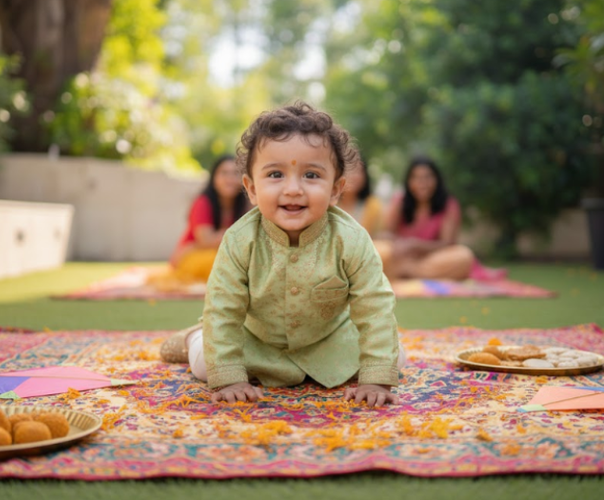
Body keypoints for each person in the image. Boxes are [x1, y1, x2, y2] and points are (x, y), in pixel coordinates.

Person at [160, 101, 404, 407]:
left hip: (328, 340)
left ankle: (366, 364)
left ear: (335, 190)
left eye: (311, 175)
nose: (292, 189)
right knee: (207, 365)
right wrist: (230, 377)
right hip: (258, 342)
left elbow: (374, 306)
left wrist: (376, 378)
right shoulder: (239, 241)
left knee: (395, 357)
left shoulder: (351, 240)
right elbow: (223, 308)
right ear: (250, 188)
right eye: (275, 174)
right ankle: (193, 337)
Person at [374, 156, 506, 281]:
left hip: (433, 258)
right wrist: (403, 244)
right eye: (416, 178)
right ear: (409, 182)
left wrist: (416, 246)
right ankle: (409, 271)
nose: (422, 183)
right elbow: (386, 234)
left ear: (437, 180)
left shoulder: (448, 204)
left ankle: (407, 272)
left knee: (463, 256)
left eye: (427, 177)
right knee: (379, 250)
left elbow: (448, 243)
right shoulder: (400, 202)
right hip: (403, 257)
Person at [167, 155, 247, 283]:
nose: (230, 179)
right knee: (218, 263)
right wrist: (238, 234)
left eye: (235, 173)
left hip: (222, 255)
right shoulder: (202, 202)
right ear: (214, 178)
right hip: (193, 255)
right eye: (224, 173)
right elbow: (206, 241)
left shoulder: (244, 204)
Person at [338, 153, 383, 237]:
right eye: (348, 170)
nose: (353, 176)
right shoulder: (328, 205)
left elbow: (378, 239)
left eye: (358, 171)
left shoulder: (373, 206)